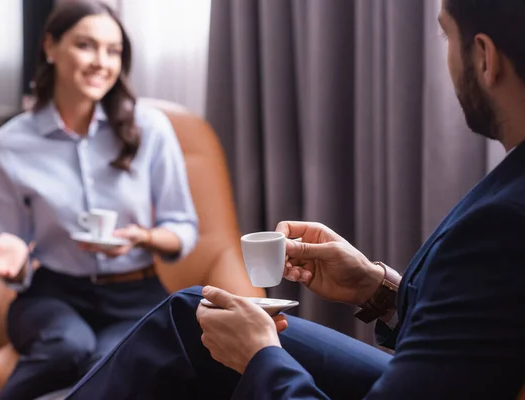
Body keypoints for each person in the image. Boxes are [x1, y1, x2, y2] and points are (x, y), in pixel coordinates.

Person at [55, 0, 525, 398]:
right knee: (191, 311)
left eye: (446, 37)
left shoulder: (498, 225)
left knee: (194, 317)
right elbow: (476, 338)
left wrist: (260, 356)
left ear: (484, 56)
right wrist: (377, 289)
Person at [0, 1, 198, 399]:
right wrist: (13, 253)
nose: (101, 62)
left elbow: (183, 228)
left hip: (137, 294)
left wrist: (144, 238)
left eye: (113, 51)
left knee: (109, 362)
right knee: (68, 346)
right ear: (50, 47)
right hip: (53, 293)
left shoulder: (151, 129)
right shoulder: (9, 144)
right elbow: (11, 241)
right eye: (86, 45)